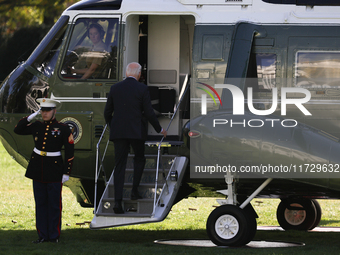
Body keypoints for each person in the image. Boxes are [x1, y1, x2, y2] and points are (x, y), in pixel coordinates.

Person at [104, 62, 167, 214]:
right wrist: (160, 129)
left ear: (126, 73)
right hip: (136, 132)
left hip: (119, 133)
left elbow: (107, 112)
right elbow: (149, 112)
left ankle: (117, 203)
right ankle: (134, 190)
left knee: (120, 165)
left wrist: (115, 127)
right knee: (139, 158)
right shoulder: (142, 88)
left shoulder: (115, 88)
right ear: (138, 74)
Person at [14, 98, 74, 243]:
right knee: (40, 203)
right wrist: (30, 117)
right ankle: (42, 235)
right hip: (38, 168)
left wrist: (66, 172)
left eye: (47, 111)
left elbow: (70, 152)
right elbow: (18, 129)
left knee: (54, 204)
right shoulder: (37, 126)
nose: (44, 113)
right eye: (42, 110)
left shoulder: (63, 128)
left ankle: (54, 236)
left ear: (54, 111)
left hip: (54, 169)